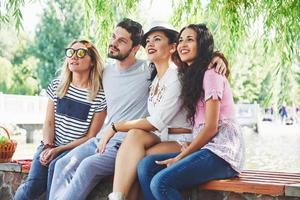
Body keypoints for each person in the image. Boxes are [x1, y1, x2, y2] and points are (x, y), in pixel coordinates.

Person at [49, 19, 227, 200]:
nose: (150, 44)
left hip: (165, 139)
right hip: (139, 137)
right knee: (63, 163)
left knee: (124, 162)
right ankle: (117, 196)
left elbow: (195, 64)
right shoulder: (149, 76)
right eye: (148, 41)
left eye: (157, 39)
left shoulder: (167, 74)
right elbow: (86, 74)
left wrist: (216, 57)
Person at [137, 24, 245, 200]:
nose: (183, 44)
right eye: (180, 40)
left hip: (223, 153)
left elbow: (211, 128)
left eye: (190, 39)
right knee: (146, 166)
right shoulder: (191, 75)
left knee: (161, 182)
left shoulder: (212, 74)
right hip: (206, 149)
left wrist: (181, 156)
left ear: (201, 44)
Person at [14, 39, 107, 200]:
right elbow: (49, 122)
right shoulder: (58, 85)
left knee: (55, 176)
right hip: (50, 144)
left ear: (92, 61)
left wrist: (58, 151)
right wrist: (48, 146)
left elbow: (91, 137)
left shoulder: (99, 96)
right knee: (32, 186)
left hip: (74, 150)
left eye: (81, 53)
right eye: (70, 52)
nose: (74, 57)